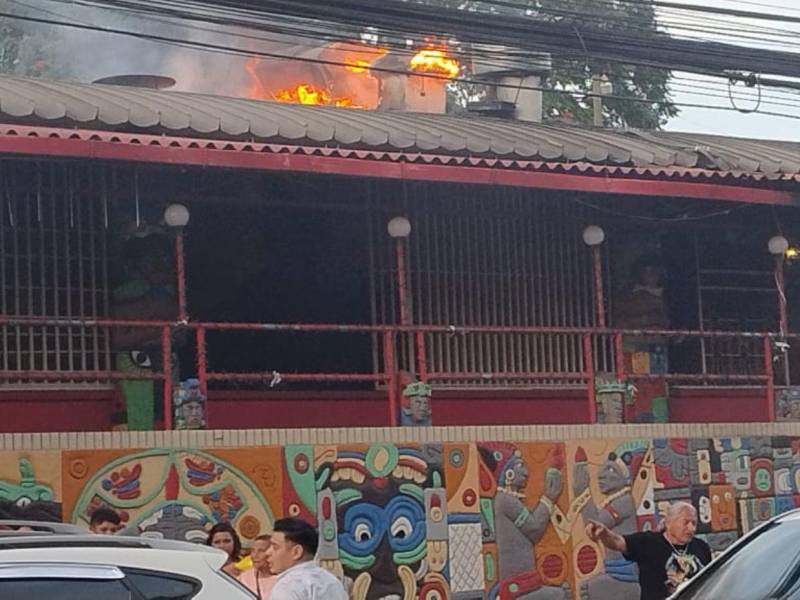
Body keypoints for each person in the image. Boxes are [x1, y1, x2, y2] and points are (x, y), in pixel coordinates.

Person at [586, 501, 711, 600]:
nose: (692, 528)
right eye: (686, 522)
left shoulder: (701, 547)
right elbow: (617, 542)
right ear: (669, 522)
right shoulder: (649, 542)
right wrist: (604, 534)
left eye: (694, 523)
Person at [266, 517, 347, 600]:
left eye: (275, 547)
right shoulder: (333, 582)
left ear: (297, 552)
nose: (267, 553)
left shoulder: (288, 586)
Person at [239, 534, 278, 599]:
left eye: (261, 551)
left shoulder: (284, 580)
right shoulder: (244, 578)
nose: (254, 555)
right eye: (253, 550)